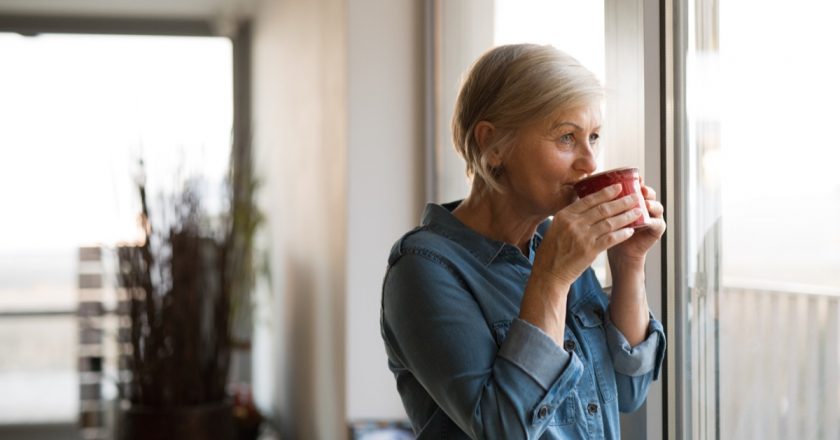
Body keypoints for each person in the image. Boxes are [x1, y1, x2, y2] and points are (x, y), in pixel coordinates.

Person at [380, 44, 666, 439]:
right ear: (492, 145)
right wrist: (550, 279)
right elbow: (504, 430)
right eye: (567, 137)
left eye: (594, 137)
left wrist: (629, 262)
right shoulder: (423, 269)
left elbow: (627, 390)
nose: (590, 162)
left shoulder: (554, 243)